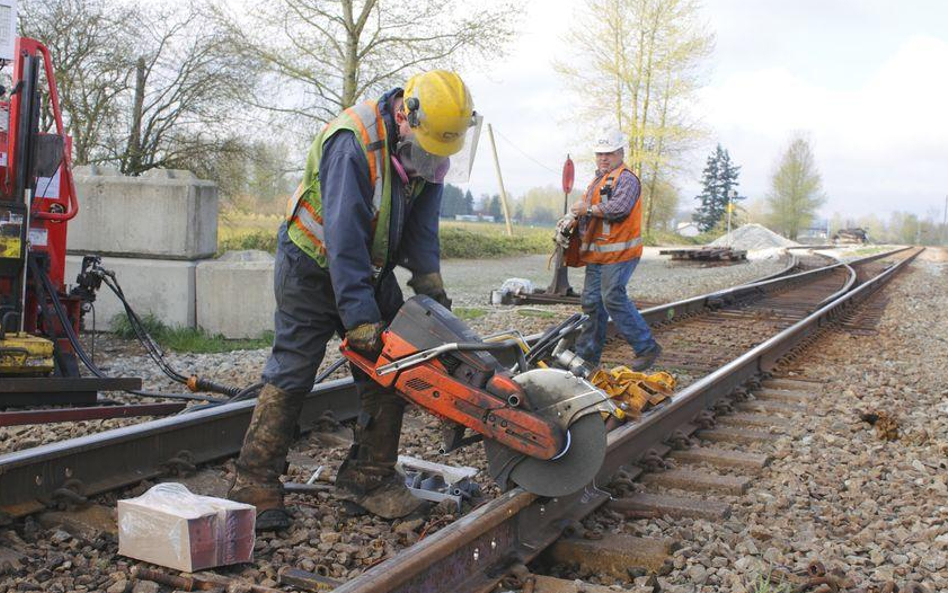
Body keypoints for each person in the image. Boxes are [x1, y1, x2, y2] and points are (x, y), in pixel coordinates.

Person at [227, 70, 479, 530]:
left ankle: (369, 478)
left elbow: (422, 229)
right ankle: (254, 484)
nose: (433, 162)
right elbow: (344, 240)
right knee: (293, 370)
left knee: (395, 364)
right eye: (429, 150)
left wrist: (432, 291)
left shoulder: (426, 150)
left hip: (367, 266)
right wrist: (361, 320)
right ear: (407, 115)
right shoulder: (353, 143)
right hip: (313, 263)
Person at [566, 128, 662, 372]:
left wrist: (587, 210)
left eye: (608, 153)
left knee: (612, 297)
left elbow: (620, 208)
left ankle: (646, 347)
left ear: (620, 152)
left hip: (620, 254)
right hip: (598, 255)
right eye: (599, 154)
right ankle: (586, 360)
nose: (603, 158)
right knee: (591, 304)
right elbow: (592, 214)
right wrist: (572, 222)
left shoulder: (626, 178)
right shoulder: (597, 181)